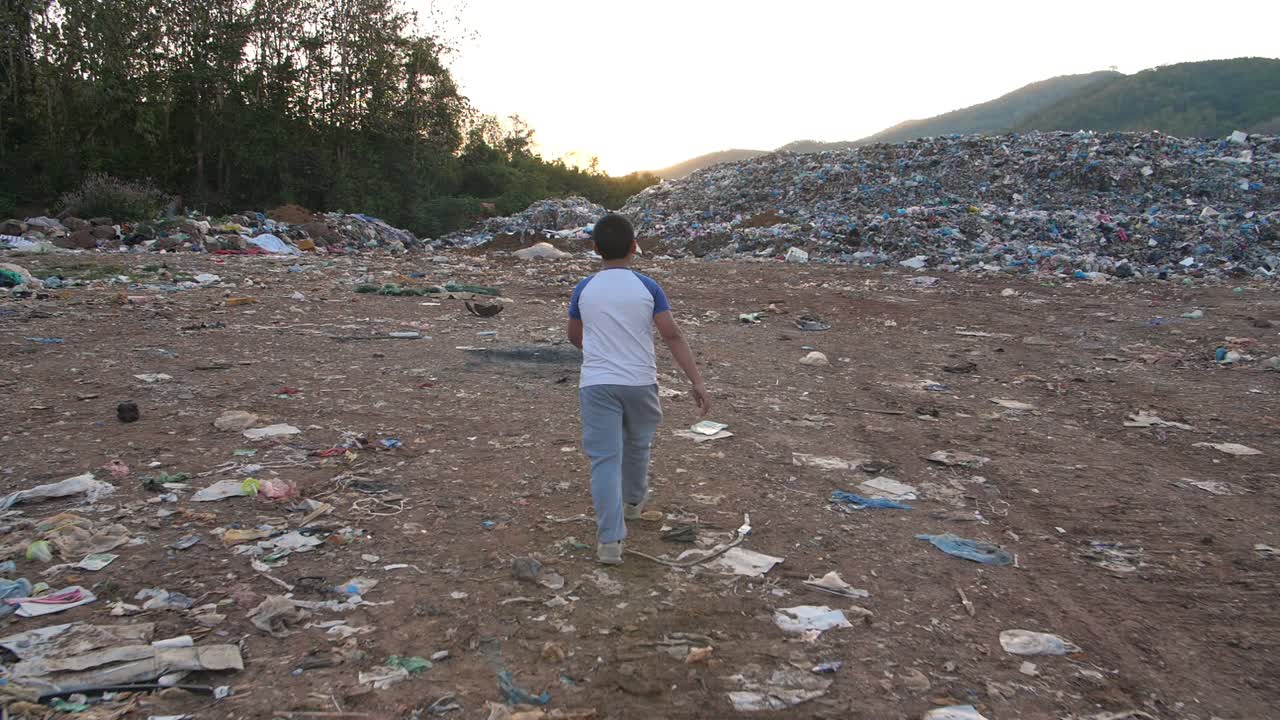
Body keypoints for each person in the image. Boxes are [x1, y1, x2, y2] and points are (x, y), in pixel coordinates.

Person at [567, 213, 711, 564]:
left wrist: (599, 352)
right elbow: (672, 334)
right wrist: (696, 381)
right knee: (638, 445)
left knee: (604, 460)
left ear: (595, 248)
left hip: (598, 383)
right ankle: (633, 503)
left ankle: (610, 543)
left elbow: (574, 334)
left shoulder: (585, 288)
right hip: (640, 382)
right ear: (634, 247)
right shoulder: (648, 287)